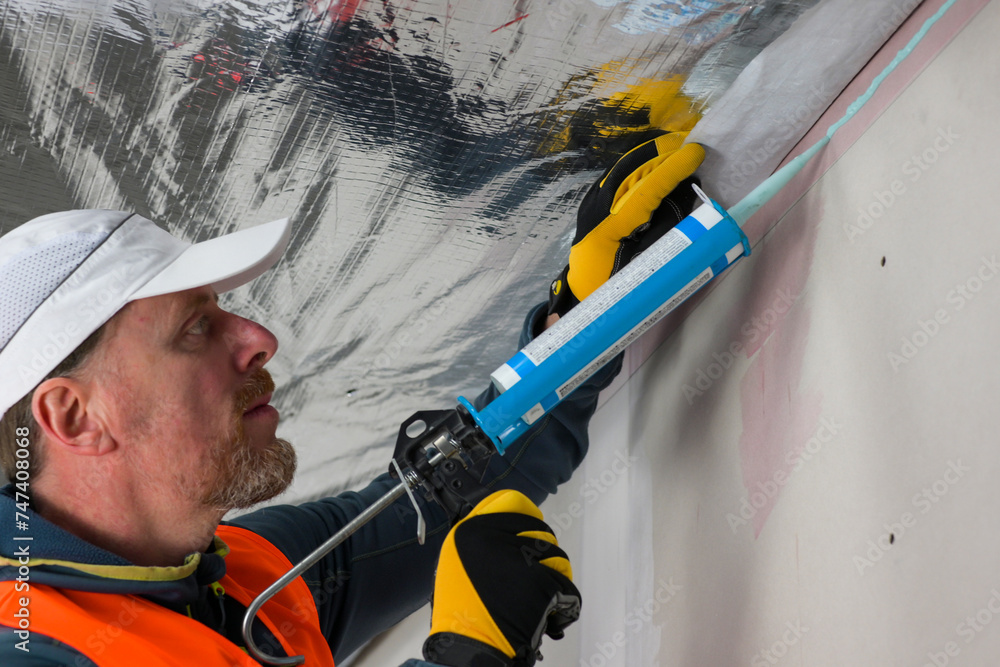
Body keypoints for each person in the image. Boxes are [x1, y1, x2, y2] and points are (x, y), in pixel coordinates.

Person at [0, 132, 704, 666]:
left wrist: (582, 317)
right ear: (73, 416)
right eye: (197, 328)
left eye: (225, 309)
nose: (259, 338)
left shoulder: (243, 575)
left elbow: (452, 491)